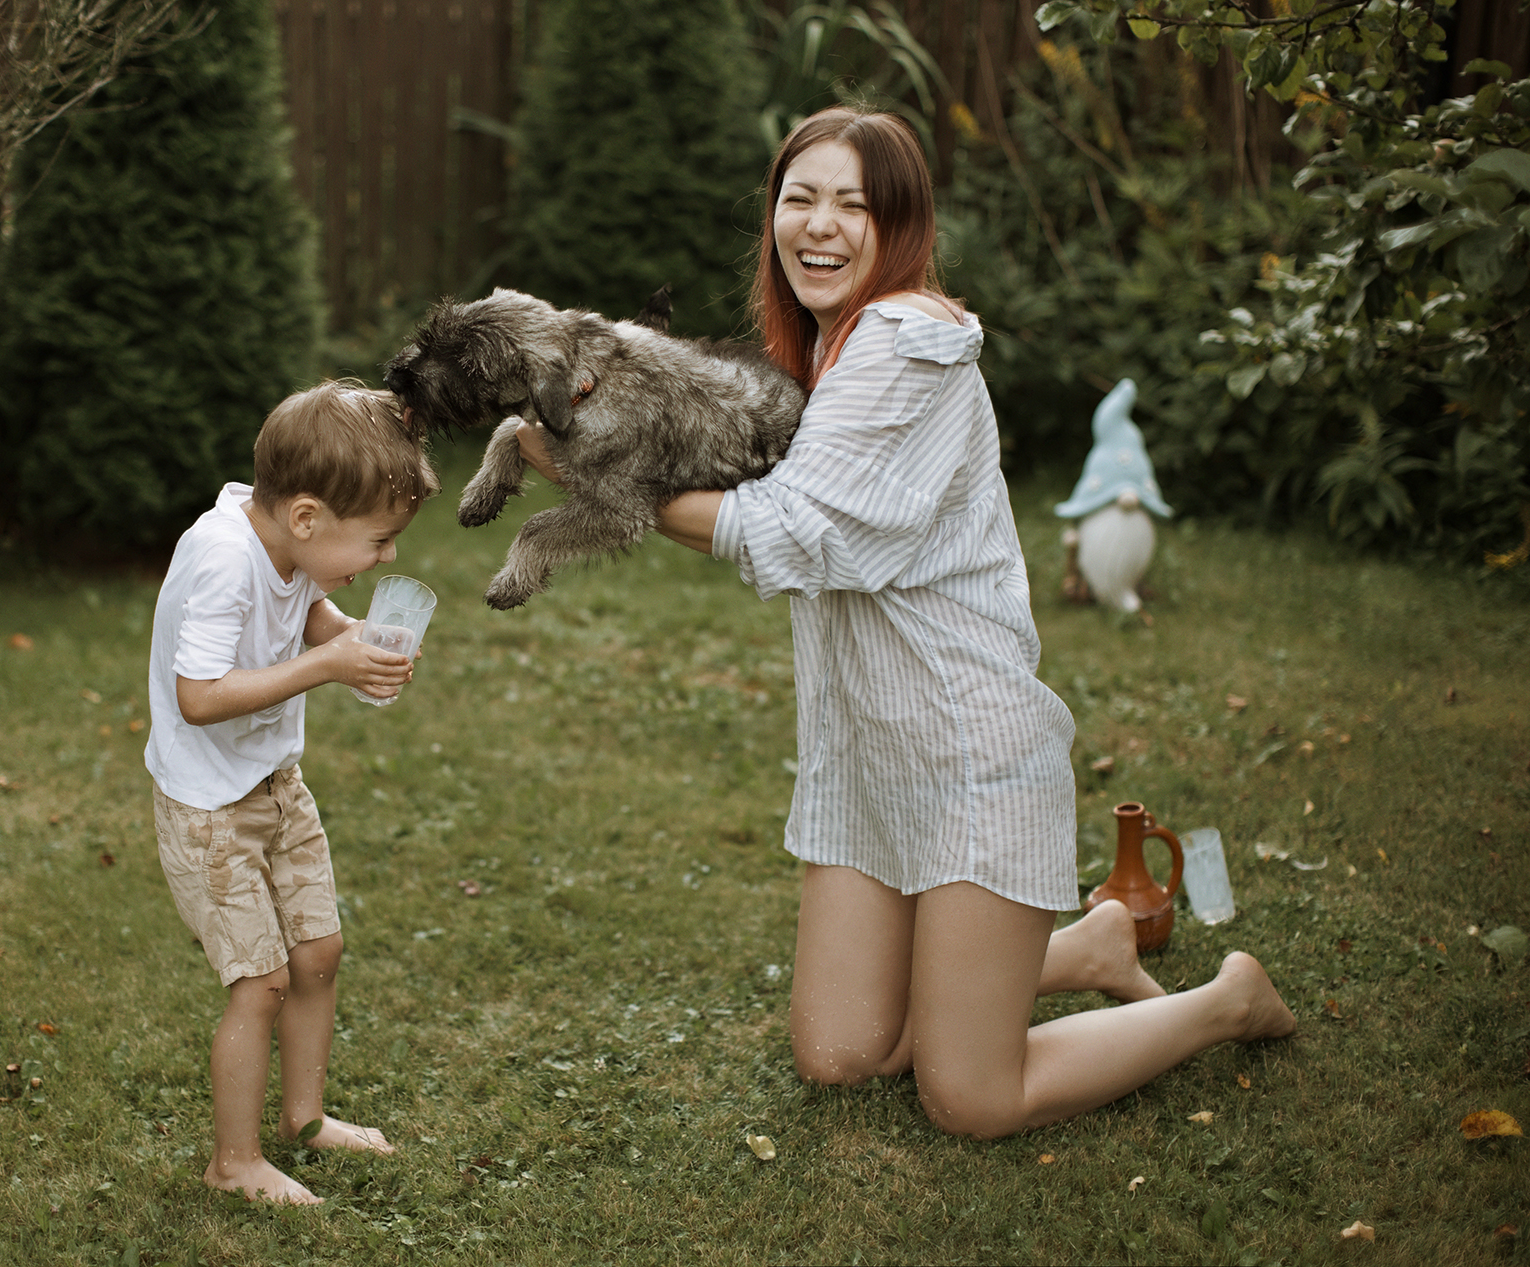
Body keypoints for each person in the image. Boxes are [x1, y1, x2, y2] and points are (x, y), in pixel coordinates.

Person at [518, 107, 1295, 1138]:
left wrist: (597, 478)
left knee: (971, 1095)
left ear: (902, 226)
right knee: (840, 1055)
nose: (819, 224)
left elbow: (797, 532)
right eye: (799, 198)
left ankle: (1223, 1001)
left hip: (970, 756)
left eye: (853, 204)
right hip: (867, 761)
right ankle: (1091, 947)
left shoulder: (903, 343)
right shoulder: (828, 348)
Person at [145, 381, 440, 1201]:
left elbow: (308, 609)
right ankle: (233, 1163)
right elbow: (199, 695)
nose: (388, 558)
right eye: (379, 540)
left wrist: (355, 639)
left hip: (275, 784)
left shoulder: (286, 541)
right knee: (262, 981)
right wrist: (327, 666)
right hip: (210, 808)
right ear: (307, 517)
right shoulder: (222, 556)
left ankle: (303, 1117)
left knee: (317, 952)